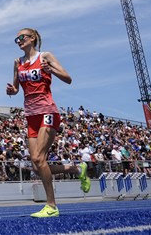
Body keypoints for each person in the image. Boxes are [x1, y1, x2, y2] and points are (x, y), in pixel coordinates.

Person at [6, 28, 90, 218]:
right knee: (36, 166)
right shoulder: (17, 62)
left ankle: (51, 205)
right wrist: (11, 91)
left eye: (22, 37)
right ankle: (75, 168)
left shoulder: (45, 56)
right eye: (16, 39)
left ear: (32, 38)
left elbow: (68, 79)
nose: (18, 41)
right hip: (30, 115)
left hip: (47, 111)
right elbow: (16, 88)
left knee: (38, 159)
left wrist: (49, 69)